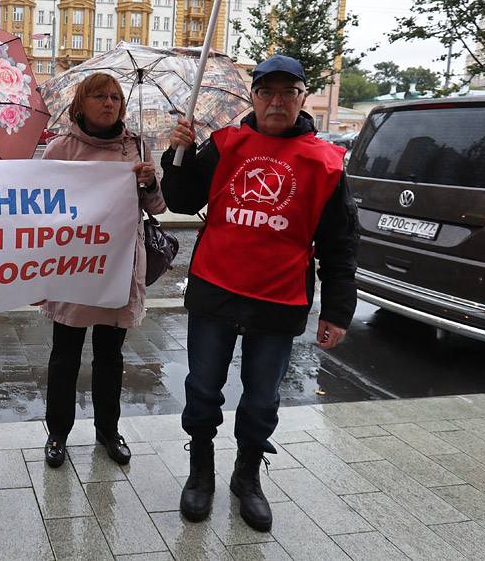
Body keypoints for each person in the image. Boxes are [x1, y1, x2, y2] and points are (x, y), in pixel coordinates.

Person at [161, 55, 358, 533]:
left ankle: (246, 476)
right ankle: (201, 471)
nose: (276, 101)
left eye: (286, 92)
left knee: (262, 399)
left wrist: (337, 310)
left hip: (279, 299)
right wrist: (177, 156)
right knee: (203, 389)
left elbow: (340, 243)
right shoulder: (226, 145)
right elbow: (183, 200)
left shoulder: (325, 163)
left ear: (301, 98)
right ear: (253, 96)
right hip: (215, 291)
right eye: (266, 92)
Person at [40, 72, 166, 469]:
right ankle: (57, 434)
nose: (110, 103)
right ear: (81, 103)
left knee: (110, 357)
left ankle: (108, 430)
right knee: (65, 356)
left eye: (115, 97)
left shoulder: (138, 147)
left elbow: (157, 208)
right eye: (99, 96)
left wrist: (149, 183)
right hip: (74, 268)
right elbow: (39, 205)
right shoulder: (61, 148)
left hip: (118, 268)